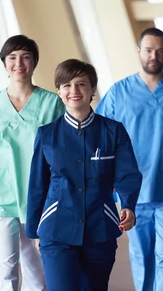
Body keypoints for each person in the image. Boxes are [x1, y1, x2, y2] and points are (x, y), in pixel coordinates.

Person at [26, 59, 142, 291]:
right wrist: (34, 231)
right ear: (59, 91)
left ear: (92, 89)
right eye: (66, 85)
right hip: (56, 230)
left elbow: (127, 173)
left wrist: (128, 203)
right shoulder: (47, 135)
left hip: (100, 229)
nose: (74, 91)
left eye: (81, 84)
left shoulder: (113, 130)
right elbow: (37, 184)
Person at [96, 27, 163, 291]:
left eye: (160, 51)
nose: (154, 56)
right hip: (132, 195)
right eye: (149, 50)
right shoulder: (118, 93)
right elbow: (101, 139)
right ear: (139, 52)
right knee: (142, 258)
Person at [0, 35, 64, 290]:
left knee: (36, 271)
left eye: (25, 57)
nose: (19, 63)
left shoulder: (51, 103)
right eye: (12, 58)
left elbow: (61, 158)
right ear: (4, 63)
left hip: (39, 199)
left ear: (34, 63)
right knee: (5, 271)